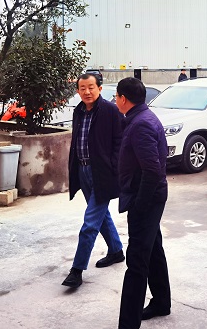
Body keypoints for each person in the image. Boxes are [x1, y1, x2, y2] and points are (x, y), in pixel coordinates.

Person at [115, 77, 171, 328]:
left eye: (116, 96)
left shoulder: (141, 124)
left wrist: (139, 206)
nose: (115, 101)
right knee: (153, 249)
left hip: (146, 199)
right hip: (147, 196)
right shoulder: (139, 118)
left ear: (123, 99)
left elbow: (152, 170)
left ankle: (128, 323)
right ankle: (161, 302)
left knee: (136, 260)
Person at [61, 73, 125, 289]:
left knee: (90, 223)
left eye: (91, 87)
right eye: (82, 88)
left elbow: (120, 142)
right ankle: (116, 251)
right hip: (83, 170)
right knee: (100, 214)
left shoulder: (110, 111)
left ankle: (77, 270)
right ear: (77, 91)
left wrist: (113, 167)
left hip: (102, 173)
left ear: (100, 88)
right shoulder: (78, 111)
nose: (87, 92)